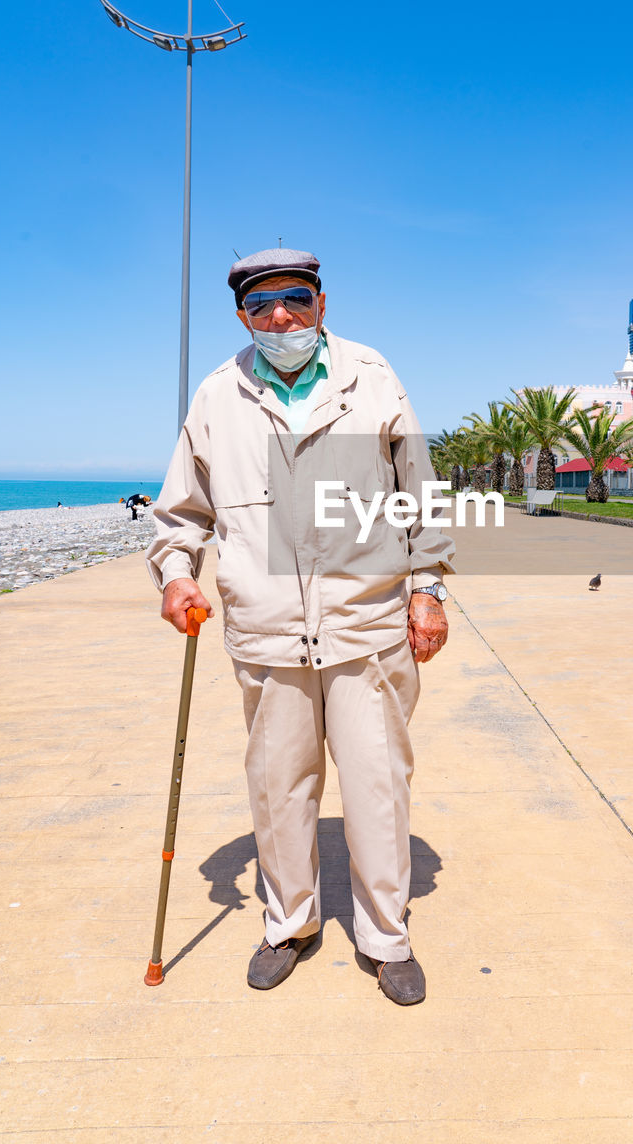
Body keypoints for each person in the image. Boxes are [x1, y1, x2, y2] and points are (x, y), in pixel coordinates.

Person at [146, 247, 455, 1005]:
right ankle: (289, 924)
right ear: (244, 316)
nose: (279, 316)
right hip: (267, 630)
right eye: (262, 305)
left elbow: (419, 491)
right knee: (279, 787)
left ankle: (387, 937)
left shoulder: (372, 377)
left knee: (378, 784)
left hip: (365, 623)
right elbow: (181, 512)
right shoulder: (218, 395)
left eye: (293, 298)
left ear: (321, 302)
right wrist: (177, 573)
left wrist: (427, 588)